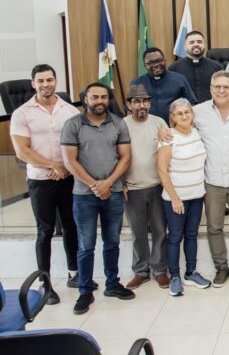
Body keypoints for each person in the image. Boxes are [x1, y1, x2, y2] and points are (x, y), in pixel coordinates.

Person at [61, 82, 134, 315]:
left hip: (112, 192)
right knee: (86, 244)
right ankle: (85, 290)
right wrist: (94, 184)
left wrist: (108, 183)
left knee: (112, 241)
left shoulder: (118, 123)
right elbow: (70, 161)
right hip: (84, 195)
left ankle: (112, 284)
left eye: (104, 97)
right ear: (86, 100)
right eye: (95, 97)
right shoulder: (73, 124)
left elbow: (125, 157)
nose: (100, 101)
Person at [10, 64, 80, 305]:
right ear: (33, 84)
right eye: (40, 81)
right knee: (45, 231)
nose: (45, 85)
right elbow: (22, 151)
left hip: (68, 178)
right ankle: (46, 283)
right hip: (41, 181)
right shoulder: (22, 113)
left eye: (49, 80)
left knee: (71, 226)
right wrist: (53, 165)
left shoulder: (70, 110)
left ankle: (74, 273)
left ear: (56, 81)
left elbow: (78, 145)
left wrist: (64, 168)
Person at [193, 71, 229, 287]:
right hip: (211, 180)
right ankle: (220, 268)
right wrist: (163, 130)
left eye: (226, 87)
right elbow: (177, 123)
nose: (221, 90)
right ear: (211, 89)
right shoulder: (197, 112)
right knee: (214, 227)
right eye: (217, 86)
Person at [157, 98, 211, 296]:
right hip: (176, 198)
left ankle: (190, 272)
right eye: (179, 113)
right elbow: (162, 170)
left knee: (191, 235)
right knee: (174, 237)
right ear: (172, 117)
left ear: (192, 114)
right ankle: (175, 277)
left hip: (196, 195)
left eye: (187, 112)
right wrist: (175, 198)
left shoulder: (197, 133)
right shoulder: (168, 137)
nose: (184, 116)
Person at [122, 84, 170, 290]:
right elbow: (116, 156)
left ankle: (160, 270)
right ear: (129, 104)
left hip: (157, 186)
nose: (142, 105)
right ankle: (141, 271)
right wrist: (120, 182)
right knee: (138, 232)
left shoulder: (159, 123)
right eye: (137, 101)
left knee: (160, 230)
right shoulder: (120, 125)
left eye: (145, 101)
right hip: (132, 188)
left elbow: (169, 152)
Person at [131, 47, 197, 121]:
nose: (156, 65)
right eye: (150, 63)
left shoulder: (179, 79)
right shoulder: (137, 83)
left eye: (159, 61)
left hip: (175, 127)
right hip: (147, 127)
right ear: (145, 66)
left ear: (165, 61)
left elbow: (191, 104)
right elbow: (130, 109)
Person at [168, 30, 223, 103]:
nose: (196, 44)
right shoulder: (174, 68)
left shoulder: (217, 67)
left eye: (199, 42)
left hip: (210, 109)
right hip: (185, 111)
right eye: (191, 42)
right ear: (185, 47)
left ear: (204, 45)